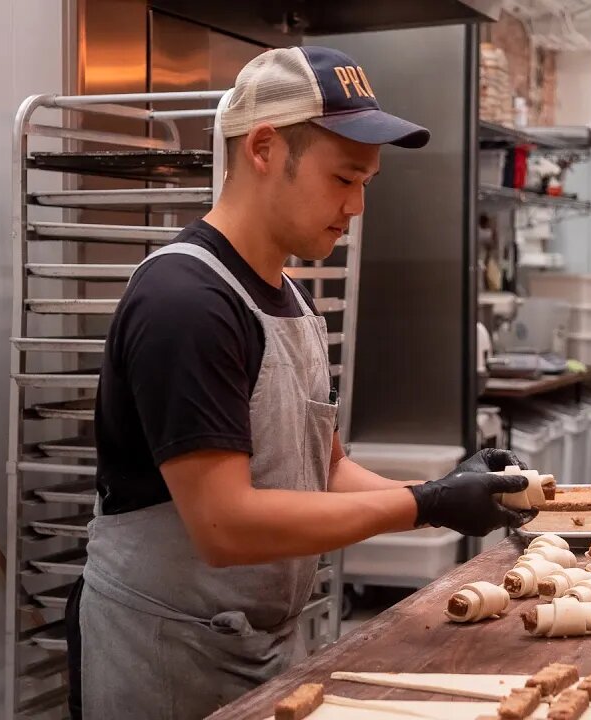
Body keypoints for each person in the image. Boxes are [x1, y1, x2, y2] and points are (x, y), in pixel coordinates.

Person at [62, 46, 538, 720]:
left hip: (257, 648)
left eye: (366, 183)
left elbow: (326, 470)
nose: (357, 206)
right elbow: (225, 523)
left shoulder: (289, 298)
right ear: (262, 148)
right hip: (164, 658)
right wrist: (422, 502)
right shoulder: (186, 301)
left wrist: (464, 494)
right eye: (344, 178)